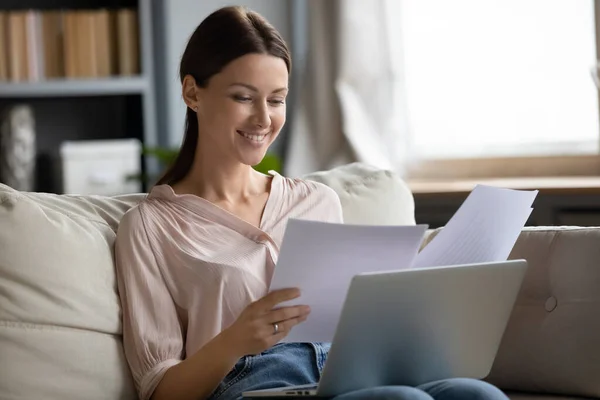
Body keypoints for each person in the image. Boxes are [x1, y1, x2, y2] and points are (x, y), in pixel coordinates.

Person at [114, 6, 510, 400]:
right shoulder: (149, 226)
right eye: (243, 97)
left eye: (276, 100)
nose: (263, 118)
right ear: (191, 92)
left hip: (346, 368)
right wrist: (235, 339)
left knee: (477, 394)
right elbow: (159, 390)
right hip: (254, 384)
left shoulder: (316, 201)